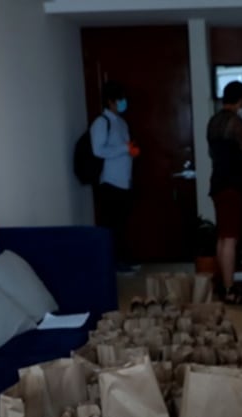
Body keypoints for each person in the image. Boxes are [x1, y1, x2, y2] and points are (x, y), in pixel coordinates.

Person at [206, 81, 242, 304]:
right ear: (239, 100)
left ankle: (223, 285)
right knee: (230, 239)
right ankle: (229, 289)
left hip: (217, 183)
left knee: (222, 237)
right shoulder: (236, 123)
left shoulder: (213, 122)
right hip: (233, 186)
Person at [91, 80, 139, 273]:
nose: (123, 102)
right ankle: (113, 262)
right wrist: (124, 149)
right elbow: (98, 150)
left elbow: (122, 148)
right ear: (110, 101)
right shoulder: (101, 122)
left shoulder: (121, 122)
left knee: (122, 223)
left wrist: (130, 151)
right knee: (112, 225)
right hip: (110, 182)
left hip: (124, 181)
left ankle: (123, 259)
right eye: (119, 99)